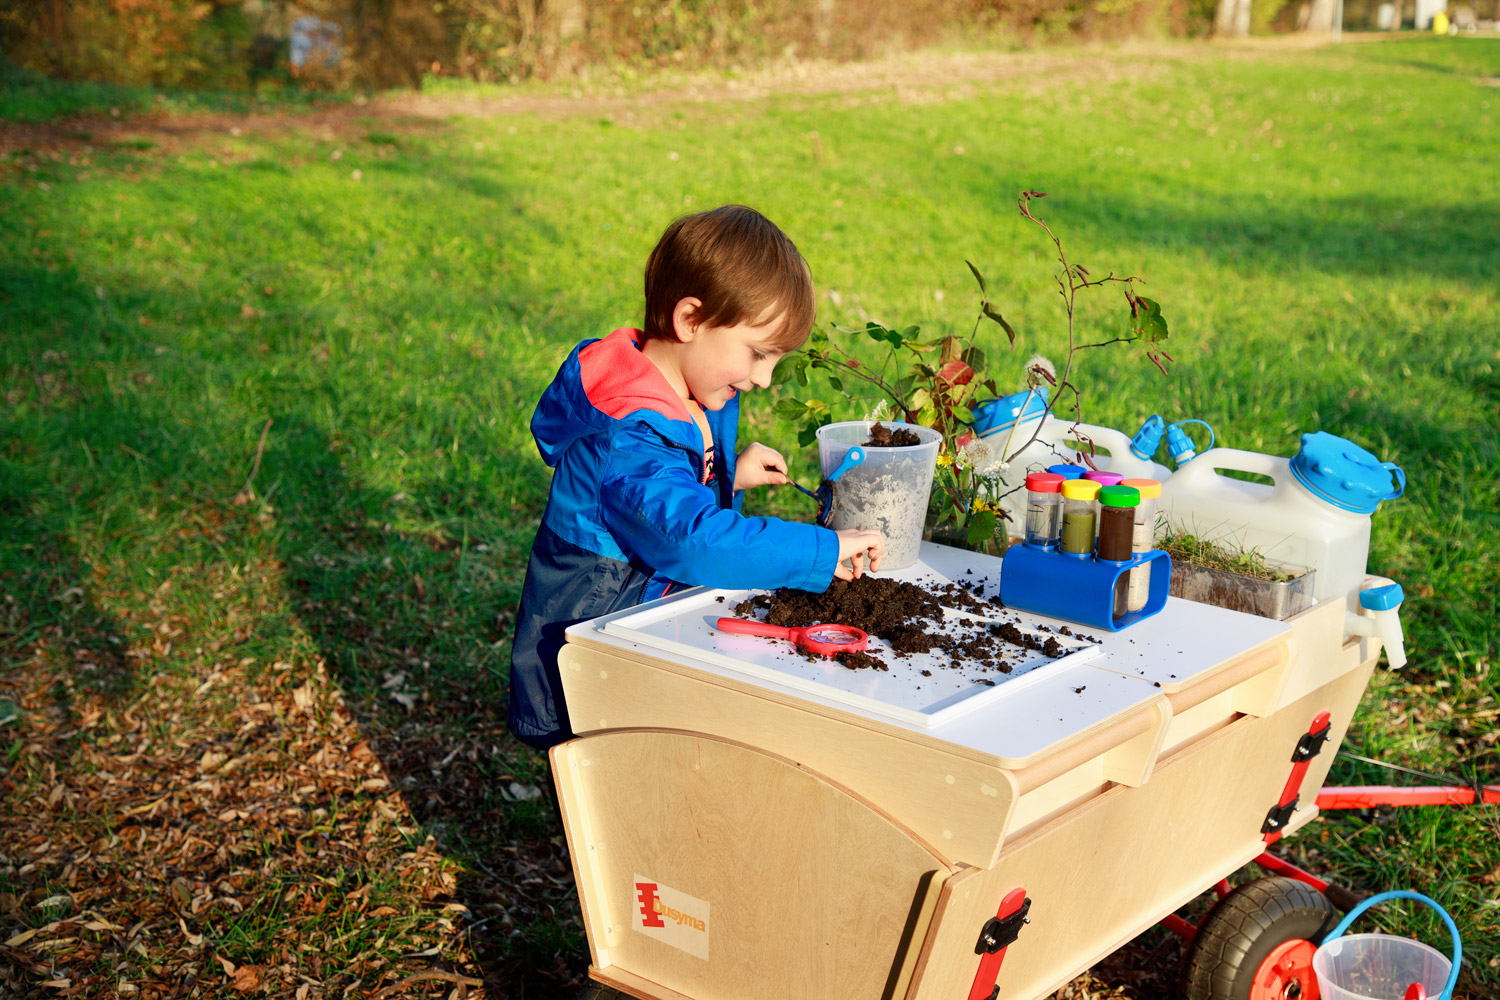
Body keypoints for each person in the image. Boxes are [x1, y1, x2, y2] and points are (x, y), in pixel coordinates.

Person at [508, 205, 885, 750]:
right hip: (587, 663)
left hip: (636, 640)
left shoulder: (681, 391)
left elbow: (668, 496)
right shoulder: (627, 436)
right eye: (758, 354)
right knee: (605, 792)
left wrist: (726, 475)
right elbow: (691, 540)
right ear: (690, 320)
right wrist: (818, 550)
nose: (764, 378)